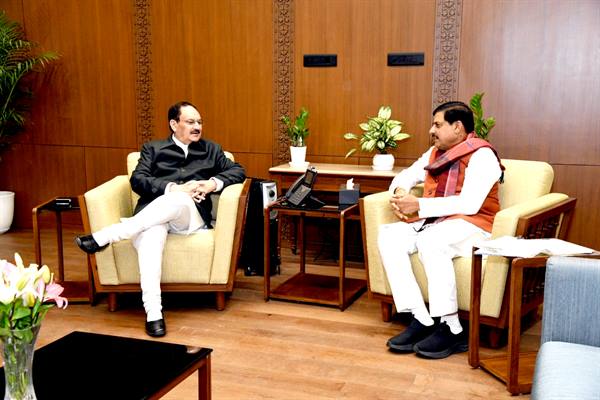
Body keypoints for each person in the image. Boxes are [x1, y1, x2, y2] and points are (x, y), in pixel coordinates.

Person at [75, 101, 246, 337]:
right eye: (190, 122)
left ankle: (108, 235)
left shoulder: (211, 150)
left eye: (199, 122)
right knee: (150, 239)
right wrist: (173, 187)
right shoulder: (153, 149)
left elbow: (238, 171)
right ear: (174, 124)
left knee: (179, 200)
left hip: (190, 217)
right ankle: (154, 313)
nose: (197, 127)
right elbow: (138, 180)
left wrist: (211, 184)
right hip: (153, 217)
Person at [378, 101, 503, 359]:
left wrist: (418, 205)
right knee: (389, 236)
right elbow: (404, 176)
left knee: (431, 241)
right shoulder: (435, 153)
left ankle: (452, 328)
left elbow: (469, 204)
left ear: (457, 127)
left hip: (474, 224)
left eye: (437, 125)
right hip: (436, 221)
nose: (431, 131)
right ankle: (421, 318)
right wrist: (400, 193)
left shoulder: (483, 156)